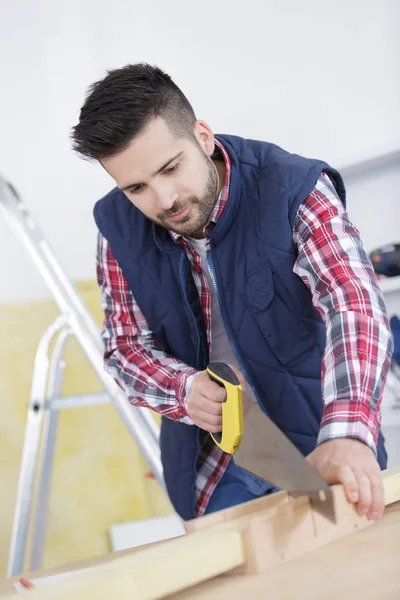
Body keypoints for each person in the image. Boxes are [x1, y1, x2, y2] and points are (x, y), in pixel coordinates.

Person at [71, 63, 393, 522]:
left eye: (170, 168)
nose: (164, 200)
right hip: (214, 469)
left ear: (202, 136)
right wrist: (182, 390)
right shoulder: (117, 227)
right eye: (137, 187)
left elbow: (353, 303)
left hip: (324, 445)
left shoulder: (293, 187)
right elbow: (124, 349)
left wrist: (348, 430)